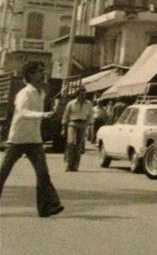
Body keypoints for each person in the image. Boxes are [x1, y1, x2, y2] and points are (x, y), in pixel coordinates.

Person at [0, 61, 64, 217]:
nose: (42, 74)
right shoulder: (24, 93)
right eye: (39, 71)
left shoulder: (41, 93)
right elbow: (22, 112)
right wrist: (43, 115)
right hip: (18, 139)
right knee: (3, 173)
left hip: (35, 140)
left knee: (43, 174)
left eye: (43, 71)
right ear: (30, 75)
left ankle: (47, 207)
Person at [62, 86, 93, 172]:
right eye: (81, 94)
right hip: (72, 124)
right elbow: (65, 115)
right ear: (77, 95)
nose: (83, 96)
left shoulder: (89, 104)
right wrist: (63, 128)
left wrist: (90, 127)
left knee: (79, 146)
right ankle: (69, 165)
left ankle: (75, 166)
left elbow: (91, 115)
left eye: (84, 94)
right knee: (71, 144)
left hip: (83, 124)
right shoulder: (71, 103)